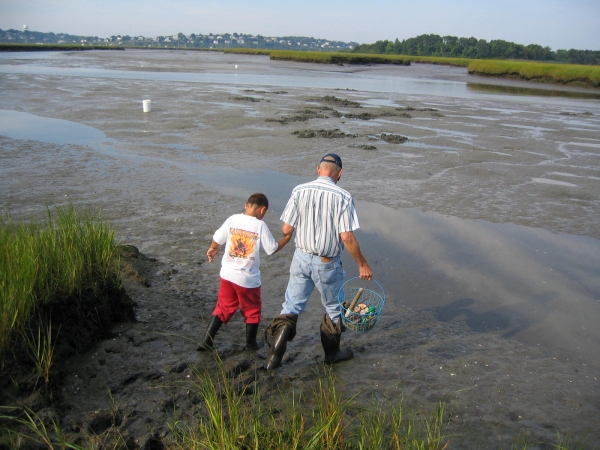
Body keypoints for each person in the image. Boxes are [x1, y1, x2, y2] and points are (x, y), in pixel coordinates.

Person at [264, 153, 373, 370]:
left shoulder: (299, 191)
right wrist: (362, 264)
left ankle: (273, 359)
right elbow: (347, 237)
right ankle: (332, 355)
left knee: (291, 307)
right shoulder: (344, 197)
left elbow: (286, 229)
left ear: (318, 169)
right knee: (334, 308)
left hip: (300, 258)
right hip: (327, 263)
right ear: (339, 173)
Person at [198, 193, 292, 352]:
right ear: (263, 210)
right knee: (252, 310)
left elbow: (217, 238)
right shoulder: (260, 226)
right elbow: (272, 249)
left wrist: (213, 248)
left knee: (223, 306)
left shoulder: (232, 219)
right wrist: (287, 238)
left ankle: (207, 340)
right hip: (247, 279)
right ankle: (250, 344)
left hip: (227, 274)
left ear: (246, 206)